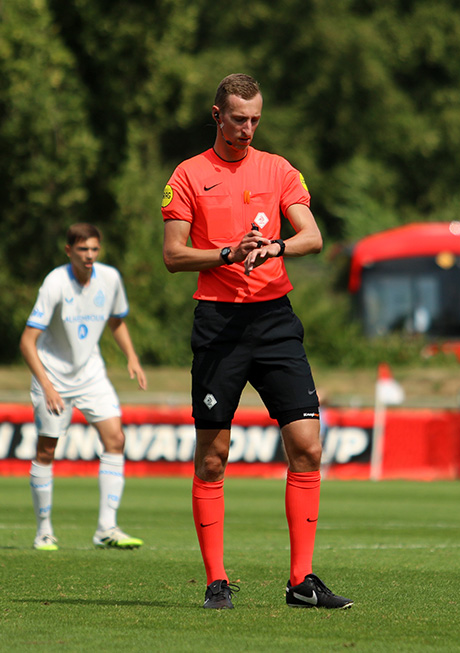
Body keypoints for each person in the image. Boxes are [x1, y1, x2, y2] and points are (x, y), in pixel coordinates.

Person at [161, 73, 353, 609]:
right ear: (217, 114)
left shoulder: (279, 169)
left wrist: (275, 248)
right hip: (219, 323)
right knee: (213, 457)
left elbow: (313, 237)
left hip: (274, 320)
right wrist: (225, 252)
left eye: (255, 120)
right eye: (239, 118)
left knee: (308, 447)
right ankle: (216, 581)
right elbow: (174, 256)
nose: (247, 129)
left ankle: (302, 582)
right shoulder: (188, 175)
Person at [19, 223, 147, 551]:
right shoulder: (54, 283)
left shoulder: (110, 278)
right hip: (54, 376)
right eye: (82, 250)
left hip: (91, 373)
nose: (89, 256)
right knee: (47, 450)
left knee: (115, 439)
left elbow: (115, 320)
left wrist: (131, 356)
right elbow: (27, 341)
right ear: (68, 251)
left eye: (94, 249)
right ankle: (44, 531)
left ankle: (107, 528)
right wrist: (47, 386)